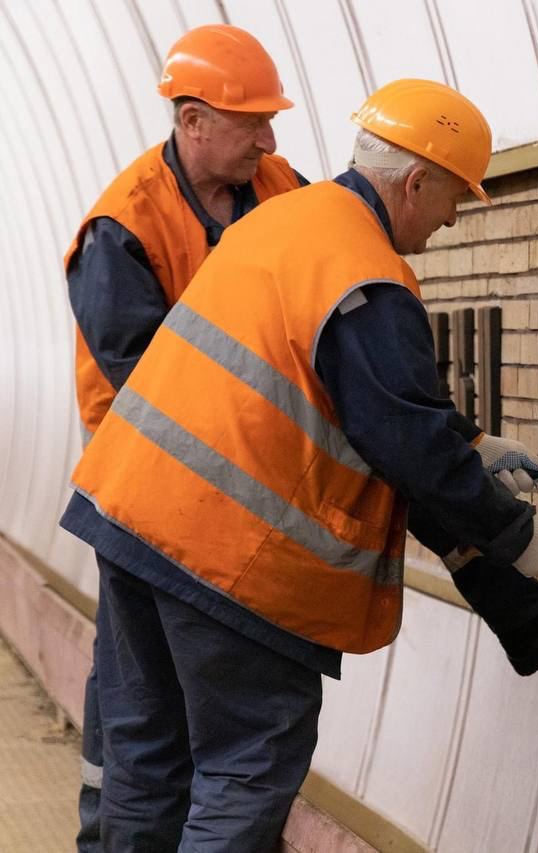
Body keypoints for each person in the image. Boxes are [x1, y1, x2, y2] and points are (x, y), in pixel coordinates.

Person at [59, 77, 538, 850]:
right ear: (416, 182)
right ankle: (527, 618)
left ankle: (525, 622)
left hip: (130, 518)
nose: (453, 218)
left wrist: (473, 444)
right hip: (228, 557)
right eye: (453, 196)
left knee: (146, 758)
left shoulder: (284, 218)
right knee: (244, 767)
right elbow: (402, 439)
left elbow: (333, 382)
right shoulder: (365, 272)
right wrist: (515, 532)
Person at [63, 24, 305, 852]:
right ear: (193, 120)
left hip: (241, 507)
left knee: (152, 722)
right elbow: (148, 390)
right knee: (146, 727)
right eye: (253, 123)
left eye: (272, 121)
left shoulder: (282, 191)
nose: (269, 141)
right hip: (145, 506)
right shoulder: (122, 228)